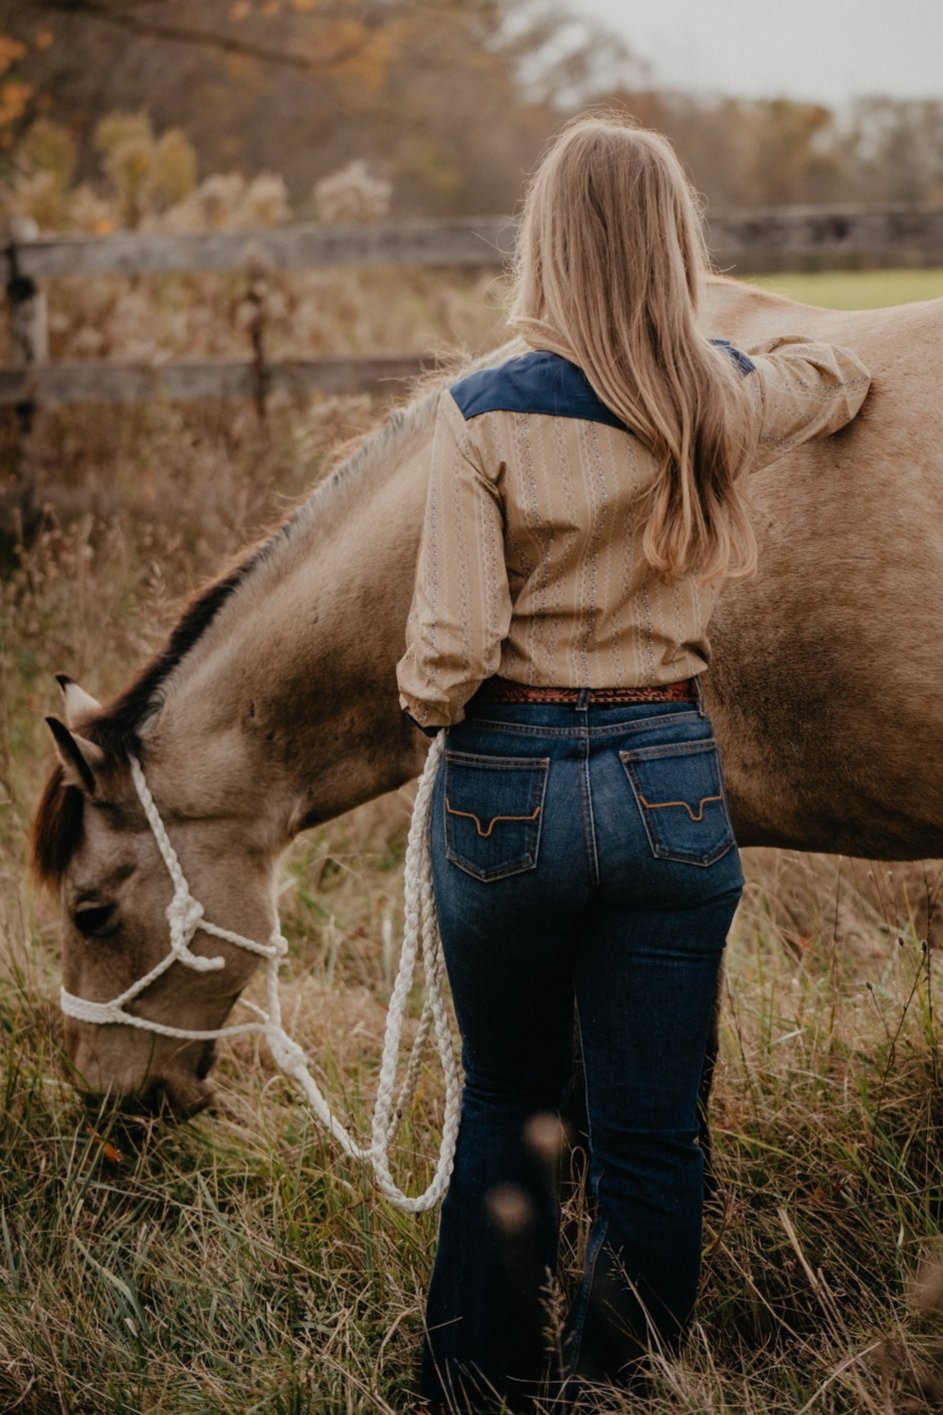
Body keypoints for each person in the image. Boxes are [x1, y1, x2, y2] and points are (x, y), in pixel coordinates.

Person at [395, 114, 871, 1412]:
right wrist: (741, 344)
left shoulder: (476, 412)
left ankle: (479, 1382)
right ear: (674, 242)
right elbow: (837, 378)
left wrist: (427, 707)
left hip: (508, 784)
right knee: (656, 1132)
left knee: (507, 1094)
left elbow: (448, 654)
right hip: (668, 771)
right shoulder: (713, 394)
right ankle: (615, 1385)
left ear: (544, 240)